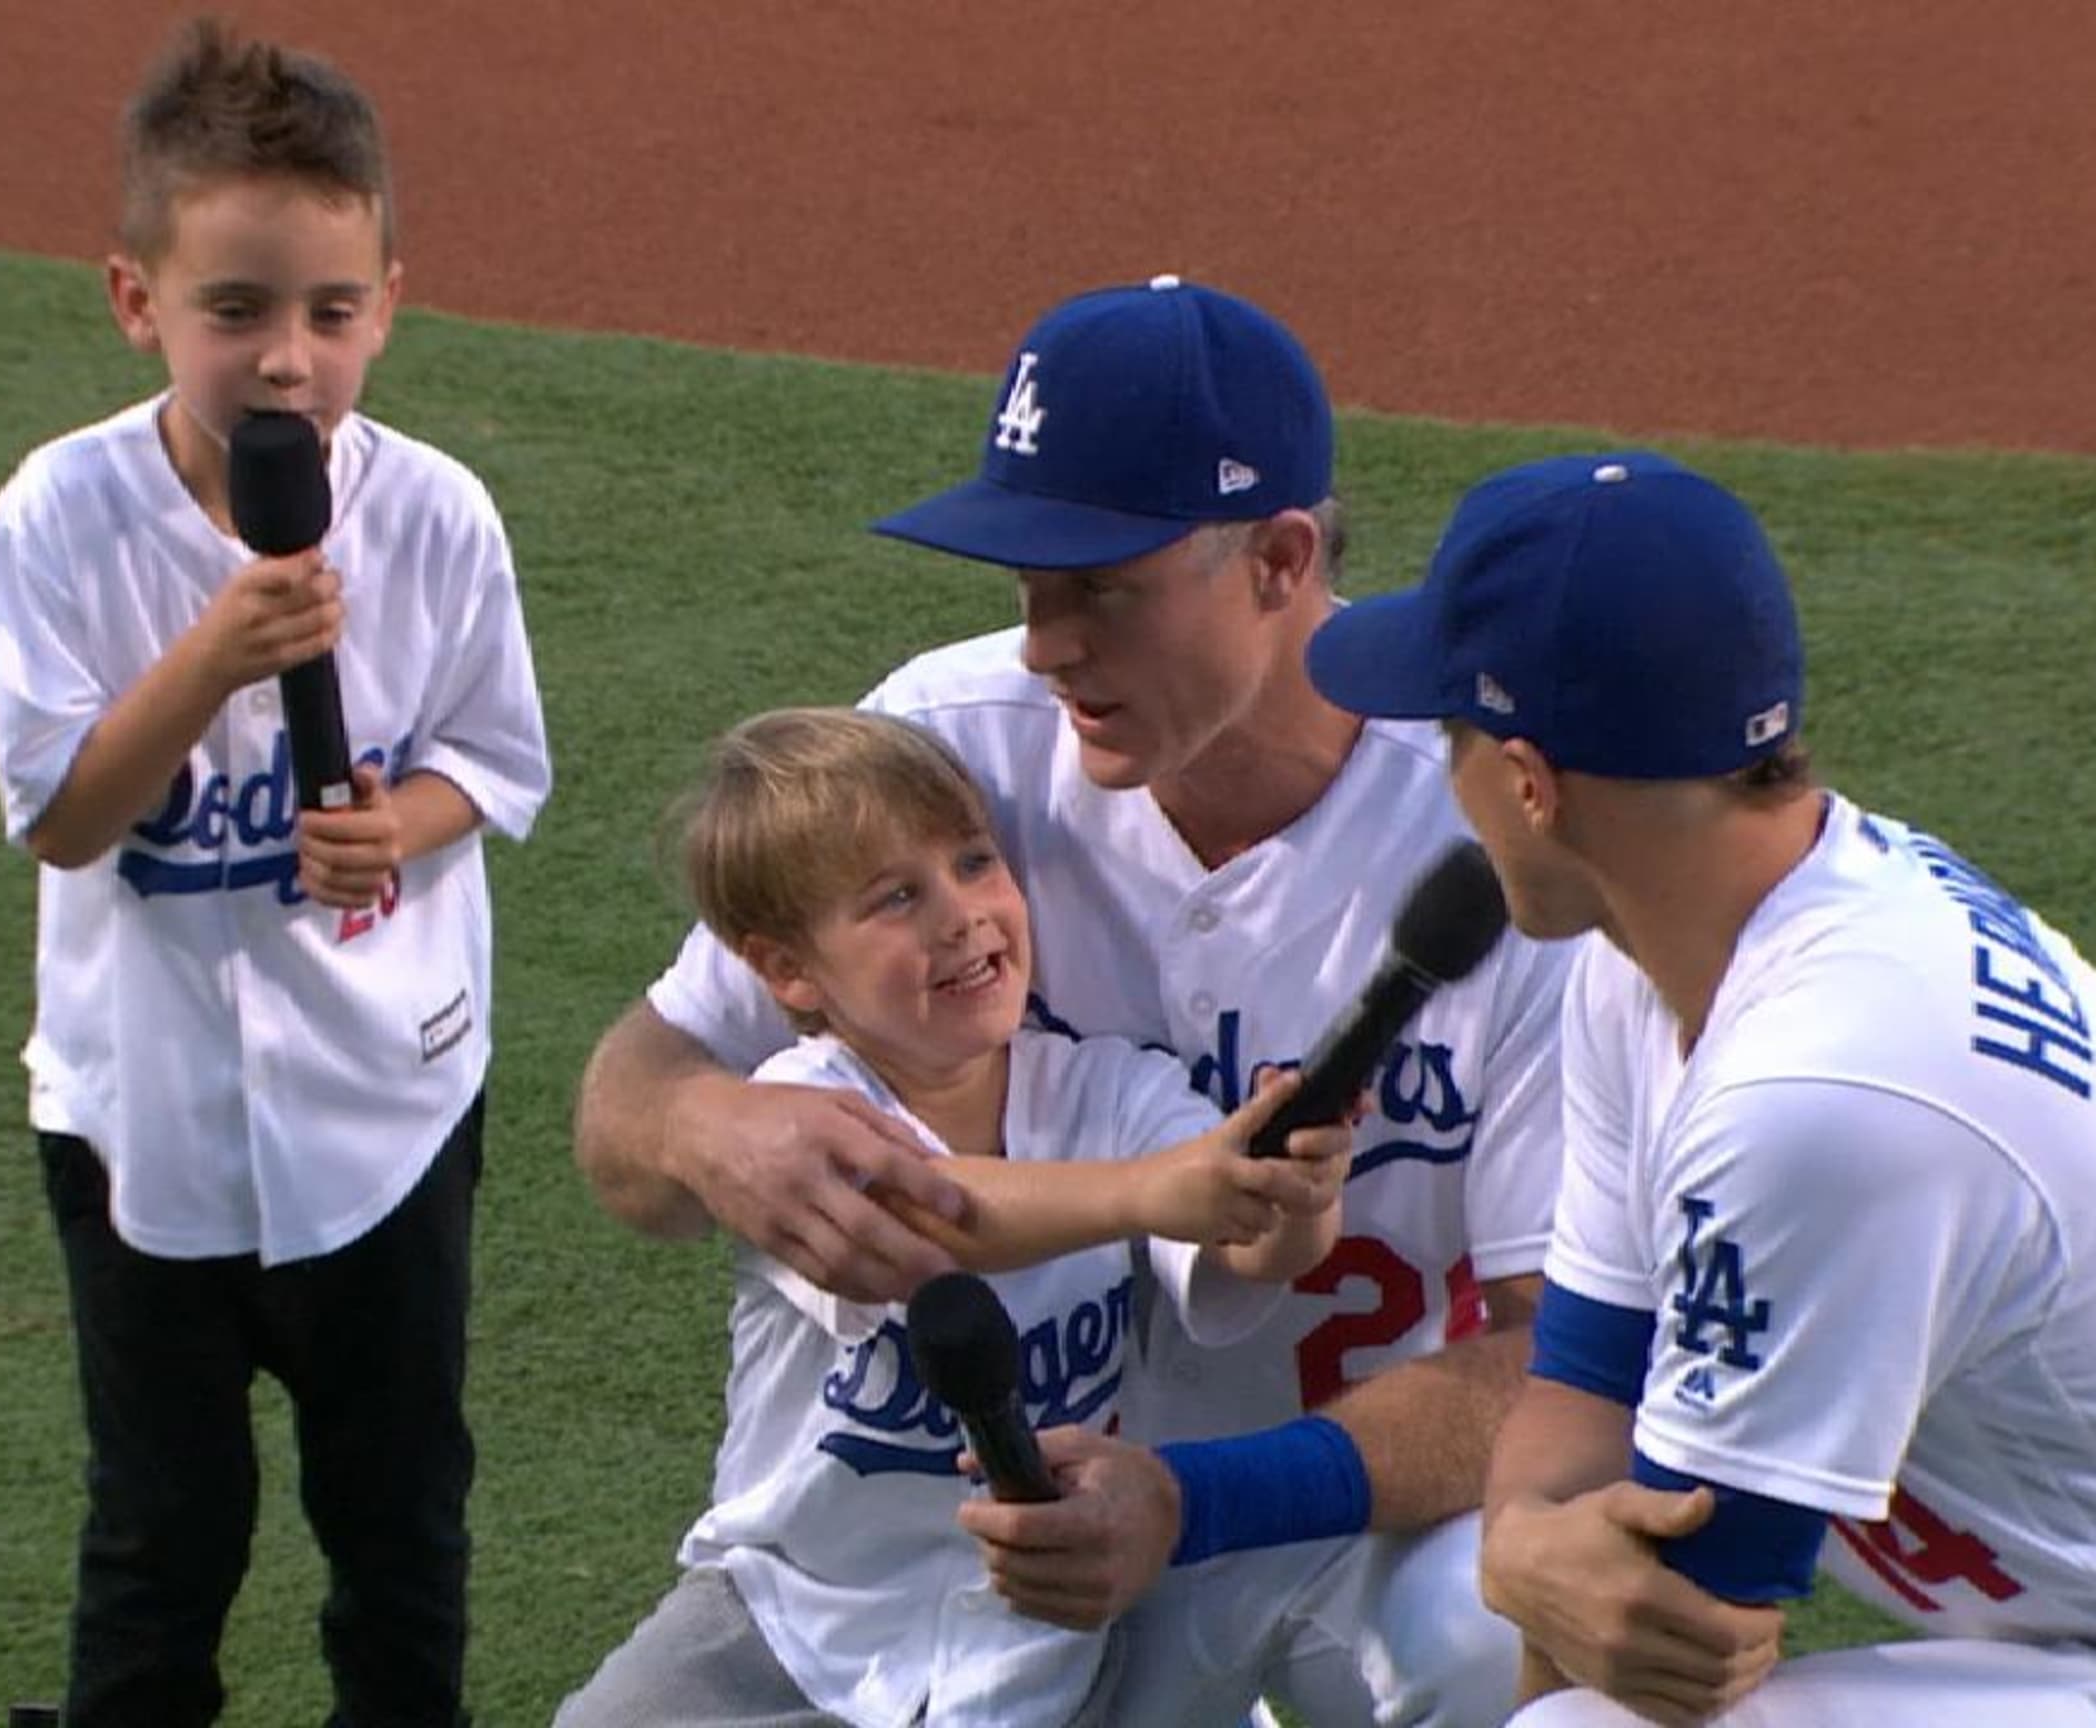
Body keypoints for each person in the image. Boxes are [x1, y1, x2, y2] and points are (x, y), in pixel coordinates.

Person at [1301, 449, 2096, 1725]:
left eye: (1454, 739)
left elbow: (1677, 1628)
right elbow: (1588, 1393)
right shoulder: (1661, 953)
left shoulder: (1820, 1090)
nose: (1451, 781)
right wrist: (1528, 1554)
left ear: (1531, 784)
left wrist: (1536, 1571)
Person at [570, 276, 1576, 1726]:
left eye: (1101, 588)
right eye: (1029, 583)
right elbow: (637, 1099)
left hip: (1338, 1520)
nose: (1046, 643)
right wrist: (710, 1127)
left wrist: (1203, 1496)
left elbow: (1572, 1354)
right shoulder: (951, 744)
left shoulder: (1486, 847)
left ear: (1280, 560)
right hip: (985, 1548)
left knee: (1523, 1639)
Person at [0, 19, 550, 1725]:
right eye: (234, 310)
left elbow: (494, 761)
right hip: (140, 1116)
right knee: (165, 1523)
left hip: (387, 1102)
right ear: (134, 300)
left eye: (328, 310)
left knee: (397, 1517)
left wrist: (403, 824)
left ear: (388, 298)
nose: (286, 360)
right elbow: (67, 819)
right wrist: (210, 662)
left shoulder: (438, 514)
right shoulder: (58, 520)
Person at [557, 707, 1357, 1727]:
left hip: (1040, 1647)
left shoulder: (1109, 1090)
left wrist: (1293, 1192)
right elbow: (930, 1214)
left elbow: (1242, 1254)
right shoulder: (803, 1105)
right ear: (789, 972)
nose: (959, 914)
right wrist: (1155, 1186)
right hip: (790, 1625)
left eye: (976, 861)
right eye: (895, 898)